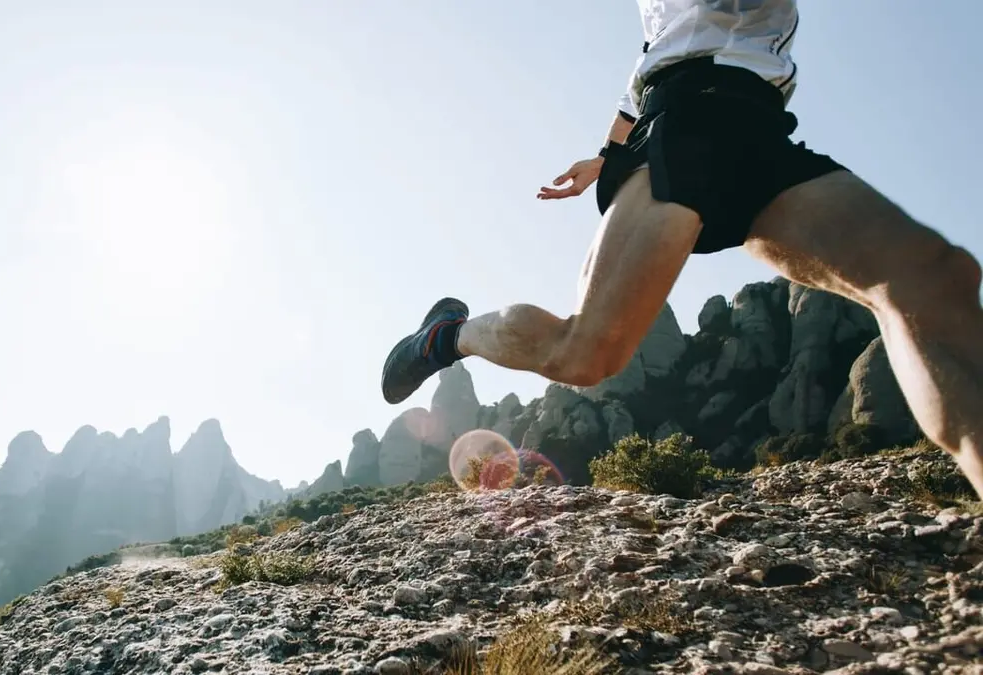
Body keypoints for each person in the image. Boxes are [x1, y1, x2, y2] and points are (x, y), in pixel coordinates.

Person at [379, 0, 983, 499]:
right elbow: (659, 64)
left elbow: (642, 62)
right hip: (689, 121)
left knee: (929, 277)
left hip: (761, 130)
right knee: (585, 355)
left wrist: (603, 153)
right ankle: (445, 337)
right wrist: (614, 156)